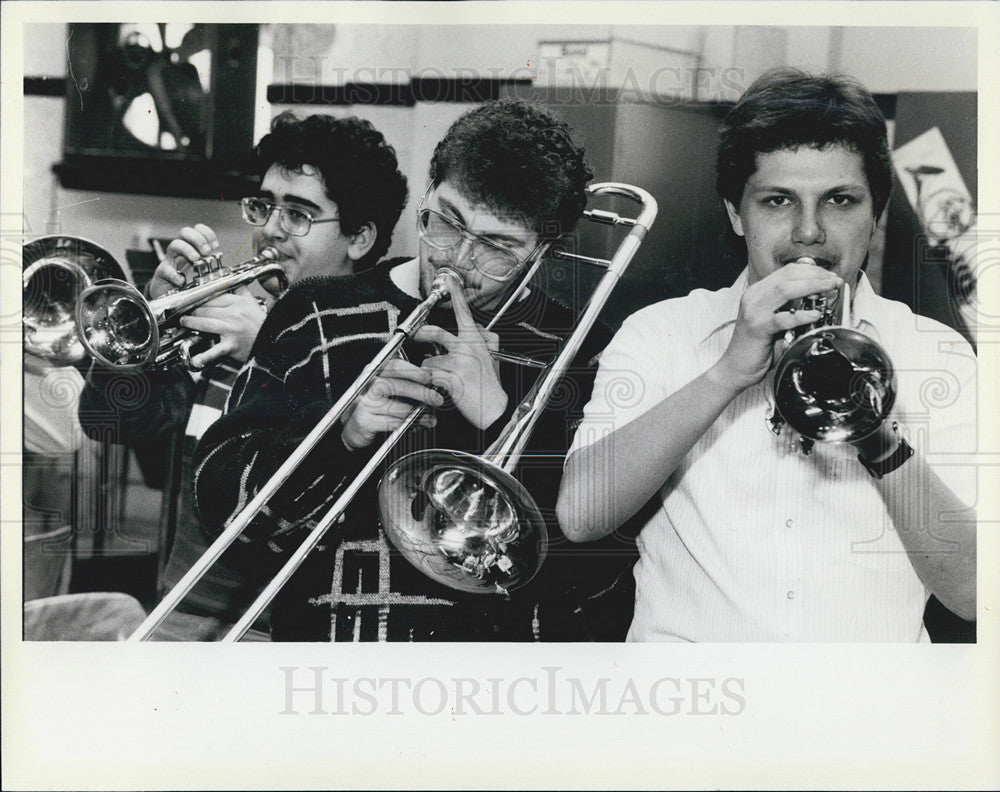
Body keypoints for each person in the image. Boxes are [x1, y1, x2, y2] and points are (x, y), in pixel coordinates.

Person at [557, 69, 977, 642]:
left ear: (875, 216)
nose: (809, 232)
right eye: (778, 200)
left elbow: (975, 594)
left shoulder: (940, 353)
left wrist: (874, 432)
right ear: (736, 213)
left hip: (867, 715)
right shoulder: (659, 331)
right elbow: (581, 516)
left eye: (840, 200)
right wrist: (725, 375)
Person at [193, 99, 630, 642]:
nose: (456, 260)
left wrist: (498, 416)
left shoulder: (583, 351)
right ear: (427, 195)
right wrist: (340, 434)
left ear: (543, 251)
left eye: (498, 246)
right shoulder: (314, 311)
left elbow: (600, 576)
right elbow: (219, 502)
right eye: (445, 221)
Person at [78, 111, 408, 640]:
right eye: (263, 206)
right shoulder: (225, 321)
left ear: (360, 238)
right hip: (180, 611)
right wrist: (146, 329)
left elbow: (345, 497)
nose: (270, 230)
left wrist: (271, 351)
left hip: (287, 631)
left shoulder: (383, 343)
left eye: (299, 214)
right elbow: (106, 422)